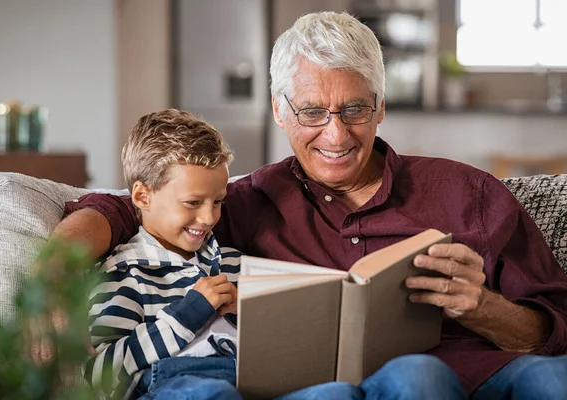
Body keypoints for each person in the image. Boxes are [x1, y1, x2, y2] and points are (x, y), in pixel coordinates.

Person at [51, 12, 567, 399]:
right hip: (351, 385)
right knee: (417, 377)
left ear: (381, 106)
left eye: (355, 109)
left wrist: (483, 308)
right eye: (313, 111)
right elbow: (133, 209)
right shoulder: (244, 203)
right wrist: (49, 273)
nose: (336, 134)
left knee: (551, 380)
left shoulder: (469, 192)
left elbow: (554, 325)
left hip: (487, 369)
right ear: (279, 109)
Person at [84, 109, 362, 400]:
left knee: (338, 393)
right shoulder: (124, 272)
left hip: (248, 381)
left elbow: (282, 344)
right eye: (193, 202)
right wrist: (188, 314)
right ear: (143, 196)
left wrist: (248, 315)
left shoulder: (235, 262)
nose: (208, 217)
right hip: (177, 384)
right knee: (212, 393)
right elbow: (101, 377)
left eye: (217, 202)